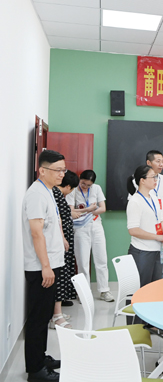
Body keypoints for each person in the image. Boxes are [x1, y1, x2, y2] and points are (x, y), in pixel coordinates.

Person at [22, 150, 67, 382]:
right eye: (57, 170)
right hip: (42, 267)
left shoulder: (49, 190)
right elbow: (36, 233)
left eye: (63, 170)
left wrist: (62, 240)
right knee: (38, 318)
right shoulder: (36, 195)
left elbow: (51, 225)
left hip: (51, 263)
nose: (62, 174)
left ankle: (41, 357)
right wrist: (46, 267)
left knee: (45, 314)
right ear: (42, 170)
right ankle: (36, 370)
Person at [66, 170, 113, 302]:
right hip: (80, 228)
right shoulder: (73, 190)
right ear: (79, 179)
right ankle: (84, 293)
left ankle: (104, 290)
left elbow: (103, 208)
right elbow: (70, 210)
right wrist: (87, 210)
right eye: (83, 183)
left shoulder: (96, 189)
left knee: (101, 259)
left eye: (88, 185)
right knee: (82, 262)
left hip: (96, 226)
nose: (85, 187)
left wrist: (86, 212)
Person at [126, 165, 163, 289]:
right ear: (142, 180)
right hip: (142, 251)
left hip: (158, 249)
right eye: (153, 177)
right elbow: (133, 230)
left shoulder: (154, 198)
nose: (156, 180)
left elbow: (159, 220)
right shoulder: (135, 201)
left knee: (155, 287)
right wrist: (156, 237)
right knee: (142, 288)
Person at [49, 170, 79, 330]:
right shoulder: (55, 194)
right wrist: (63, 238)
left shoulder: (57, 194)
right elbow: (57, 219)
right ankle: (56, 316)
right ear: (68, 186)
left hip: (64, 241)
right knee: (59, 277)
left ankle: (57, 313)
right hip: (60, 242)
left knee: (64, 274)